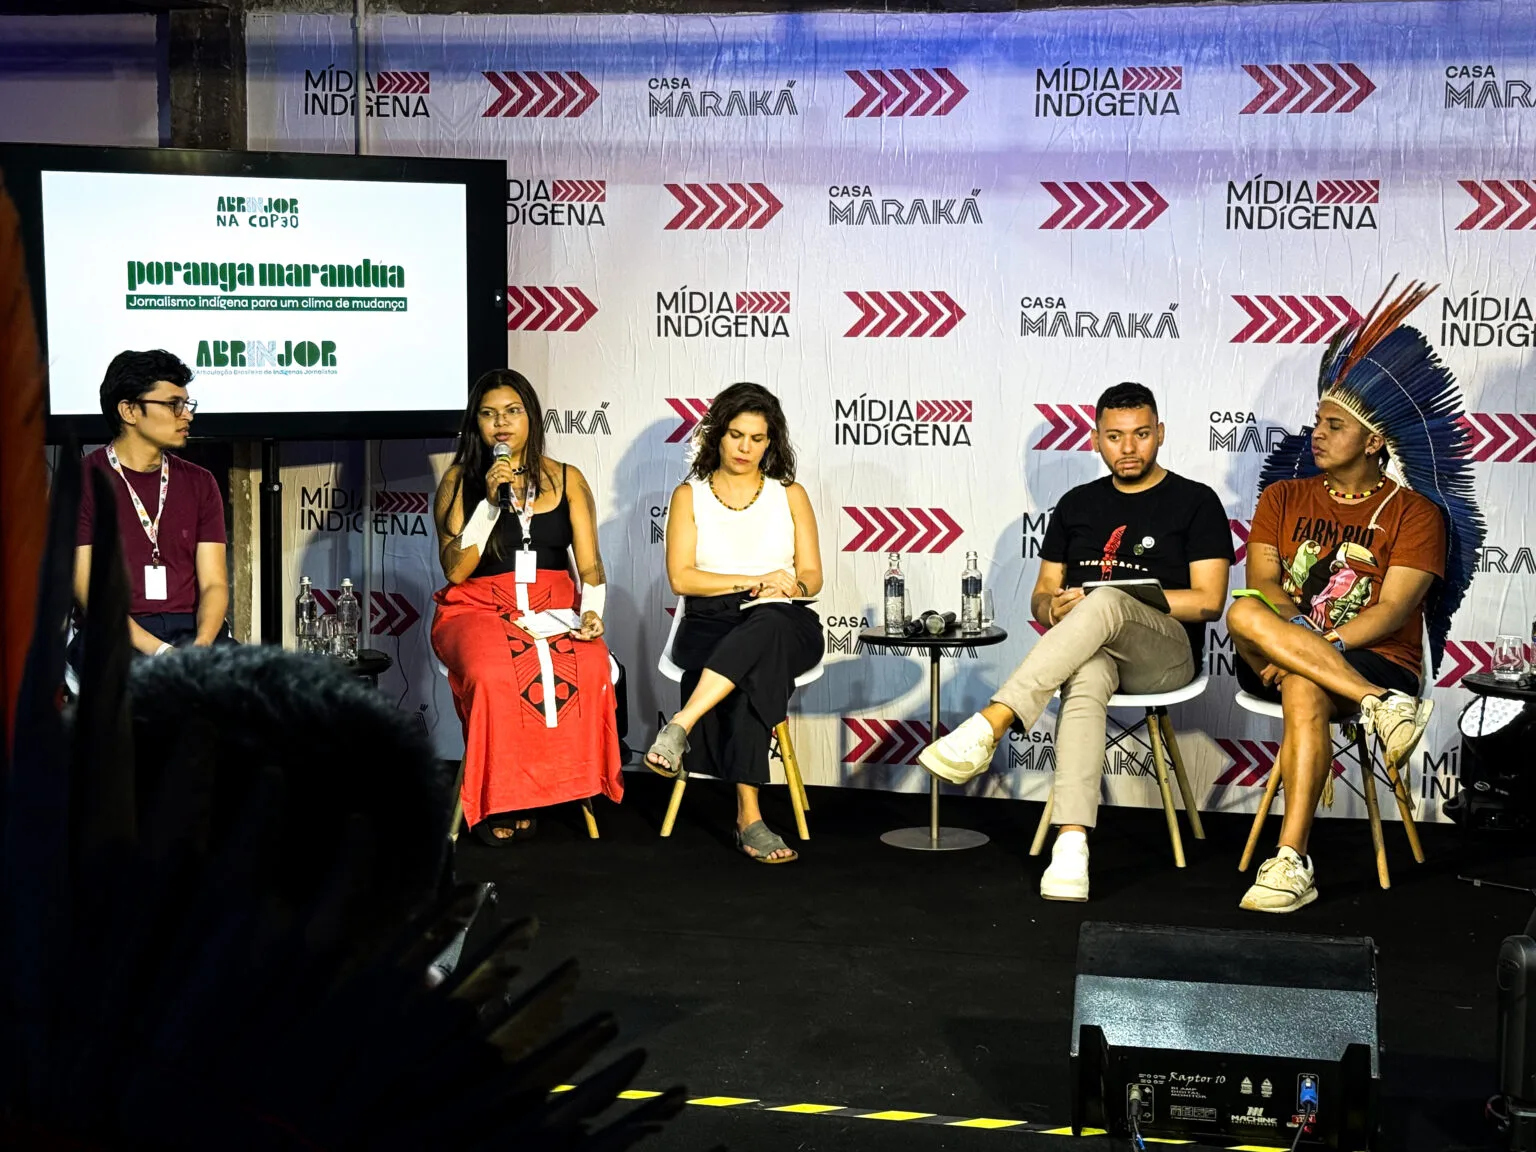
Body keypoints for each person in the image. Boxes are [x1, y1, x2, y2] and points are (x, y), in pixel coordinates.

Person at [918, 382, 1233, 901]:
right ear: (1094, 440)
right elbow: (1042, 595)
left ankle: (991, 722)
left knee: (1104, 600)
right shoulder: (1077, 504)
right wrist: (1054, 609)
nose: (1128, 448)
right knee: (1085, 674)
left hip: (1165, 656)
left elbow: (1208, 602)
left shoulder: (1195, 502)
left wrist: (1107, 602)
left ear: (1160, 434)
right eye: (1114, 436)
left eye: (1141, 435)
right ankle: (1071, 845)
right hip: (1096, 651)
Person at [1228, 278, 1484, 913]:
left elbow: (1394, 610)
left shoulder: (1415, 513)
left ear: (1373, 441)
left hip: (1376, 657)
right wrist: (1300, 637)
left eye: (1334, 425)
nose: (1316, 433)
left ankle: (1290, 861)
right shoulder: (1283, 496)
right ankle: (1379, 709)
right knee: (1242, 609)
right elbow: (1264, 585)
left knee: (1303, 681)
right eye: (1317, 421)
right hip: (1287, 650)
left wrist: (1317, 648)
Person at [430, 369, 621, 845]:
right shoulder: (458, 481)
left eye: (512, 412)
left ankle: (555, 786)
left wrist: (592, 612)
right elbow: (455, 570)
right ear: (476, 424)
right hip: (476, 608)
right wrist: (490, 504)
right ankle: (500, 796)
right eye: (489, 414)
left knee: (590, 665)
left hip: (553, 607)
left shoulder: (567, 479)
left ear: (531, 417)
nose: (501, 424)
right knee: (494, 672)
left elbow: (590, 566)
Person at [645, 382, 823, 864]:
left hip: (784, 619)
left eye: (757, 438)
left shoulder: (790, 494)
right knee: (753, 669)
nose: (745, 448)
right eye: (736, 435)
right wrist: (752, 581)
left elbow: (812, 576)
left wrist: (789, 586)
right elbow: (682, 578)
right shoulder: (690, 496)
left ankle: (681, 724)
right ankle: (749, 818)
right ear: (717, 435)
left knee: (767, 627)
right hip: (711, 622)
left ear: (771, 442)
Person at [73, 349, 230, 658]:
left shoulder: (201, 482)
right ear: (129, 411)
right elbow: (90, 593)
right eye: (173, 404)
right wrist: (161, 652)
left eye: (187, 405)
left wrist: (200, 647)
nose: (187, 415)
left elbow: (214, 584)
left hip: (191, 631)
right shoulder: (81, 482)